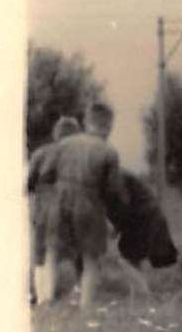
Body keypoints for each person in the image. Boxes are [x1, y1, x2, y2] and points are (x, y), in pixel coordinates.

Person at [38, 102, 128, 309]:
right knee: (90, 258)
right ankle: (85, 309)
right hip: (89, 203)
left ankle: (47, 300)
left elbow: (45, 175)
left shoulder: (63, 144)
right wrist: (116, 219)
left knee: (52, 252)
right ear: (109, 126)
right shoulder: (108, 151)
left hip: (59, 200)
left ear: (87, 122)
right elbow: (114, 191)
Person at [26, 115, 82, 305]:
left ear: (55, 133)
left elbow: (29, 185)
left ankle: (40, 295)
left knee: (40, 253)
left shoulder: (40, 153)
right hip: (67, 208)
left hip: (42, 207)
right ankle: (70, 292)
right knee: (65, 252)